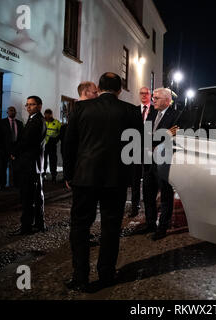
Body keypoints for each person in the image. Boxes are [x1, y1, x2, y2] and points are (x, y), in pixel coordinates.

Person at [63, 72, 142, 292]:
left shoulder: (80, 108)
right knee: (111, 227)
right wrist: (129, 176)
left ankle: (80, 277)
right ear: (119, 90)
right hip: (116, 179)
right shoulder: (131, 111)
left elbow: (69, 145)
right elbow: (136, 149)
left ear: (99, 87)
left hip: (85, 177)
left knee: (79, 227)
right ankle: (106, 274)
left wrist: (69, 175)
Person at [143, 88, 179, 241]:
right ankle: (150, 223)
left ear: (167, 100)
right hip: (148, 159)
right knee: (148, 193)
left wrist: (159, 140)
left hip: (164, 160)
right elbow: (145, 134)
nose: (153, 101)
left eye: (156, 98)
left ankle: (162, 227)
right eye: (153, 98)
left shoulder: (176, 115)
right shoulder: (151, 114)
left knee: (165, 194)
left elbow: (175, 135)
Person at [10, 96, 47, 235]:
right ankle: (38, 223)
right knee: (36, 196)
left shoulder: (37, 121)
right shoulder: (34, 119)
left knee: (27, 197)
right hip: (34, 164)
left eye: (32, 104)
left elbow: (27, 141)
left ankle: (26, 226)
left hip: (30, 164)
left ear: (39, 106)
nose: (28, 107)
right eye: (27, 104)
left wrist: (14, 152)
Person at [128, 87, 154, 218]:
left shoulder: (155, 111)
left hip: (150, 150)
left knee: (149, 180)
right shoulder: (133, 110)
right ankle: (135, 206)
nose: (144, 95)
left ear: (150, 95)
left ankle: (149, 207)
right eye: (141, 93)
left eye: (146, 93)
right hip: (135, 150)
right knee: (135, 180)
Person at [0, 106, 23, 189]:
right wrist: (0, 148)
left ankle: (16, 184)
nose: (12, 112)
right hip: (4, 149)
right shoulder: (1, 122)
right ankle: (1, 184)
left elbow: (21, 137)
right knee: (2, 168)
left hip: (16, 149)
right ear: (7, 112)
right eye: (10, 110)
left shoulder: (20, 123)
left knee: (16, 168)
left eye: (14, 111)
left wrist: (18, 149)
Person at [43, 109, 61, 182]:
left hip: (52, 144)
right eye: (46, 114)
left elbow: (61, 132)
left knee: (53, 160)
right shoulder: (42, 121)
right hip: (44, 144)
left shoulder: (56, 122)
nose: (47, 116)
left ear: (51, 114)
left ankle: (53, 176)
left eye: (49, 114)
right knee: (43, 160)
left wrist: (55, 140)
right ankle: (43, 174)